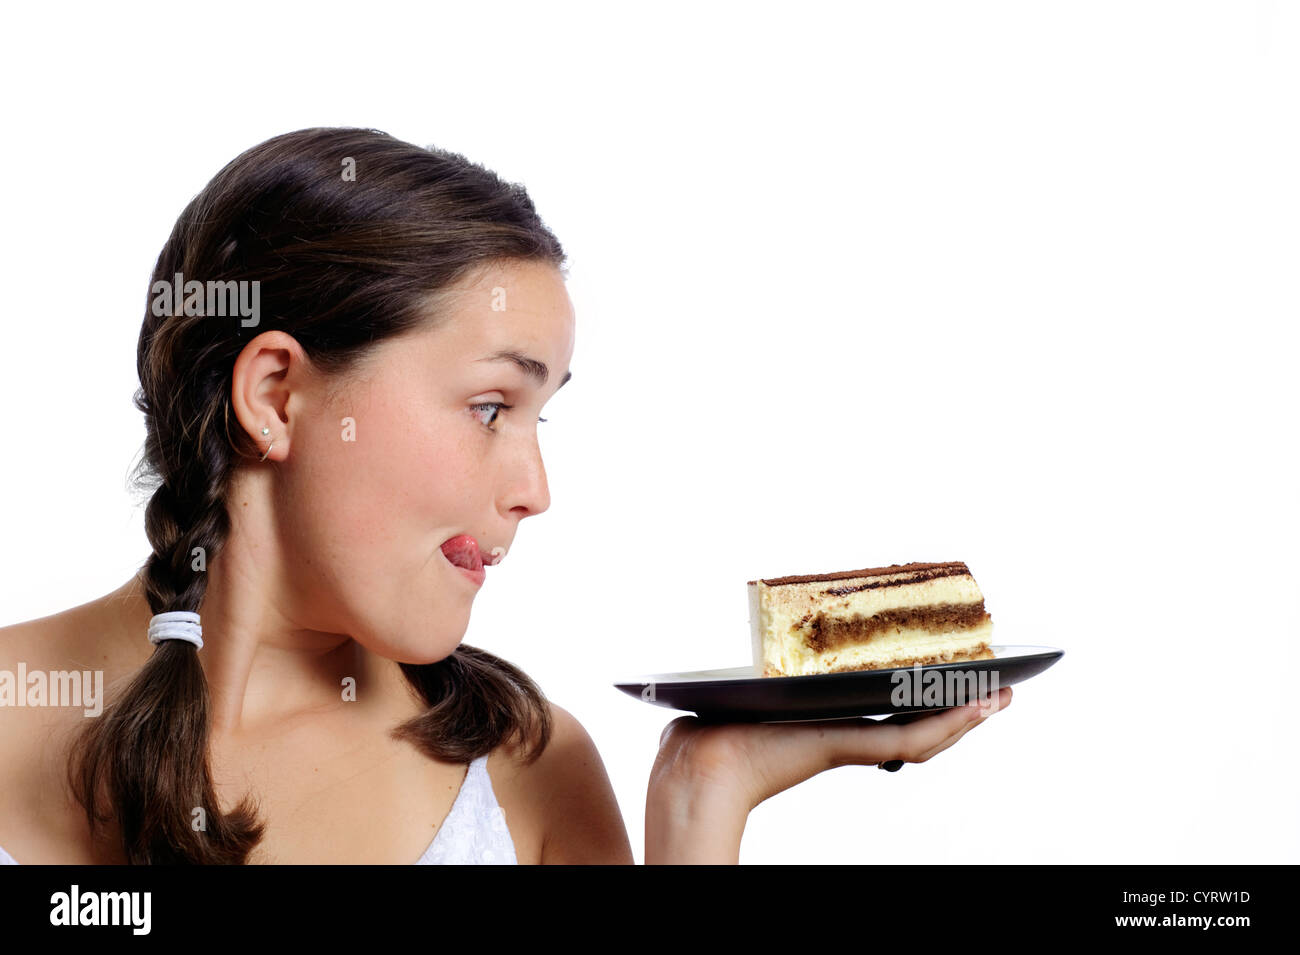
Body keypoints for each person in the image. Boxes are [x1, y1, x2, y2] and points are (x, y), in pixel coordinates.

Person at [0, 127, 1010, 865]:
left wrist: (705, 799)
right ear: (276, 394)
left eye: (541, 417)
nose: (534, 490)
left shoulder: (525, 768)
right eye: (489, 406)